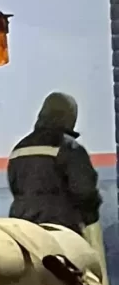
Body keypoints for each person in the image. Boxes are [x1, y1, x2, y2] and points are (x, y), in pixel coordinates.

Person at [7, 91, 102, 233]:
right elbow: (85, 191)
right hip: (60, 230)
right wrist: (91, 219)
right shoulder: (69, 148)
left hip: (23, 230)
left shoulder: (19, 149)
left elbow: (15, 188)